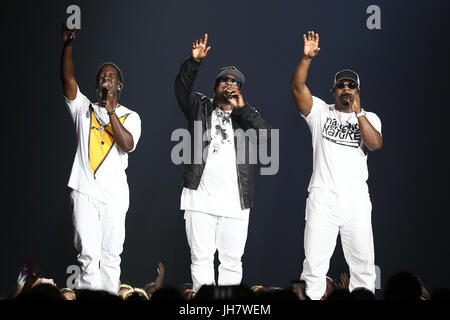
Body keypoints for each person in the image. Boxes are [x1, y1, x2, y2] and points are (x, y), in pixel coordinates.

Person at [174, 33, 272, 294]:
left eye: (235, 82)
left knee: (231, 263)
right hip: (200, 200)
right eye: (225, 81)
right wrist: (193, 63)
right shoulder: (199, 106)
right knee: (201, 260)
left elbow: (266, 137)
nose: (229, 84)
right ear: (215, 86)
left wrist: (242, 107)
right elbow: (180, 89)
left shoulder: (245, 116)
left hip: (236, 203)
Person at [290, 31, 383, 300]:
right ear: (333, 91)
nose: (346, 89)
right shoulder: (320, 112)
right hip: (323, 196)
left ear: (357, 92)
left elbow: (375, 144)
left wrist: (359, 113)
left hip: (356, 199)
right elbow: (297, 88)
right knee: (314, 266)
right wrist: (306, 59)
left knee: (363, 266)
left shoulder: (370, 117)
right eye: (341, 85)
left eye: (351, 86)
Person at [60, 24, 141, 294]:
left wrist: (111, 112)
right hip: (84, 190)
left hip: (115, 197)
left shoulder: (131, 116)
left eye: (111, 77)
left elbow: (127, 144)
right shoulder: (83, 108)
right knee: (87, 257)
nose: (106, 80)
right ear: (97, 85)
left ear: (119, 85)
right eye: (102, 77)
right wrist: (68, 45)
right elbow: (68, 81)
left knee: (111, 258)